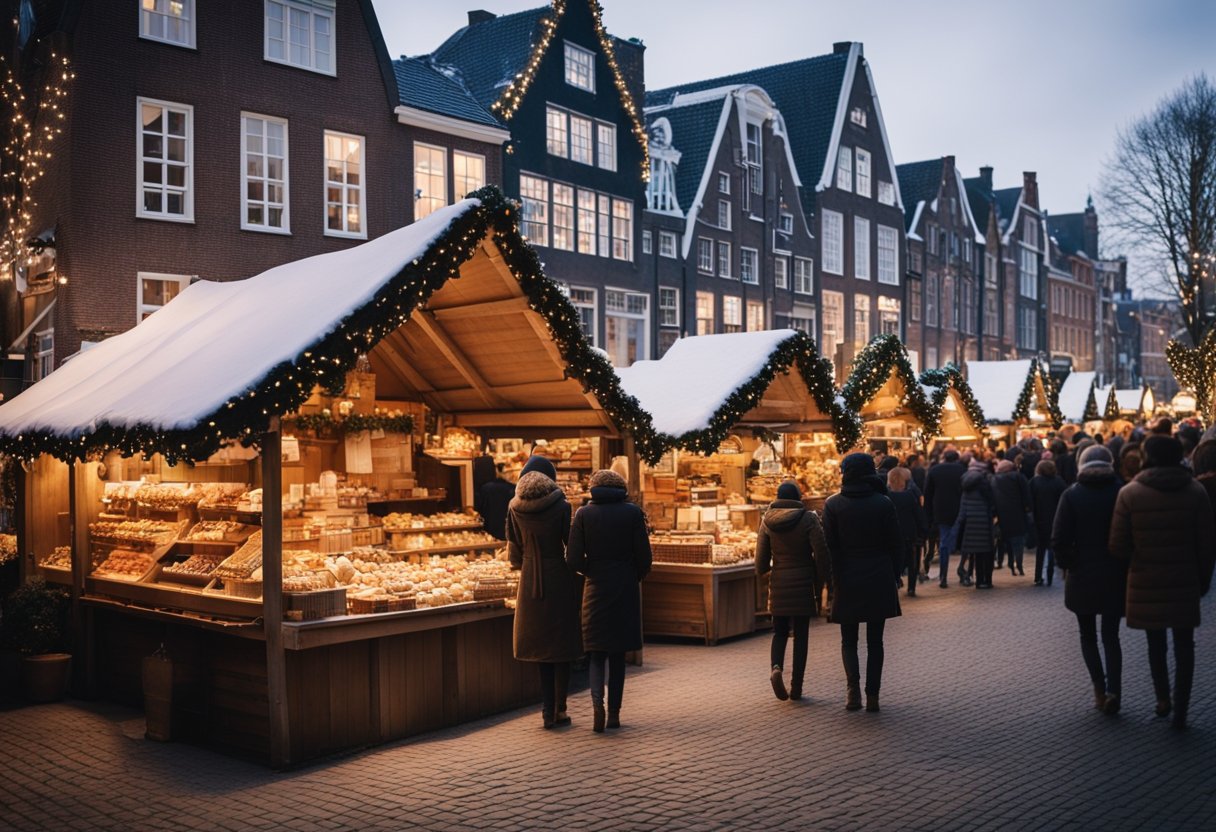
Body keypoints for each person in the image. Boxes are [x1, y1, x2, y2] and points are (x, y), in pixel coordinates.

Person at [1109, 435, 1216, 729]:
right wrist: (1202, 579)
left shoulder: (1130, 494)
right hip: (1184, 579)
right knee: (1185, 645)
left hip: (1146, 581)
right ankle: (1182, 706)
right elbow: (1207, 543)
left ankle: (1162, 698)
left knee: (1155, 643)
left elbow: (1117, 545)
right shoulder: (1195, 492)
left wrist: (1138, 560)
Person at [567, 469, 652, 733]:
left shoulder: (583, 514)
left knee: (596, 652)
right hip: (625, 586)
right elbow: (645, 557)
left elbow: (572, 558)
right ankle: (614, 713)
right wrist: (633, 574)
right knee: (618, 654)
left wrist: (590, 570)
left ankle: (596, 706)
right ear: (621, 488)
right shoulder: (633, 513)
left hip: (596, 588)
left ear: (593, 488)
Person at [822, 453, 902, 712]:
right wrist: (895, 573)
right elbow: (895, 544)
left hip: (847, 576)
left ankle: (852, 691)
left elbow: (829, 547)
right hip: (878, 575)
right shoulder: (883, 503)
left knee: (848, 639)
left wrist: (831, 581)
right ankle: (873, 696)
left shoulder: (833, 505)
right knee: (875, 641)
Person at [506, 455, 582, 729]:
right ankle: (561, 709)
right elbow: (570, 548)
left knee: (539, 645)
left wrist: (524, 563)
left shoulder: (514, 507)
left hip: (529, 581)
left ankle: (546, 709)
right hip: (558, 578)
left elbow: (514, 551)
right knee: (560, 646)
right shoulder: (562, 506)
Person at [1052, 445, 1128, 713]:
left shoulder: (1071, 495)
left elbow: (1059, 539)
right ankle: (1114, 691)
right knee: (1111, 636)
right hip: (1115, 573)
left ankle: (1099, 690)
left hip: (1082, 574)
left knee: (1087, 635)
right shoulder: (1121, 492)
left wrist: (1070, 564)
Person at [756, 481, 829, 702]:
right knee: (801, 636)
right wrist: (823, 580)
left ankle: (776, 668)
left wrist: (773, 572)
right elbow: (821, 554)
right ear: (799, 497)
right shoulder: (808, 519)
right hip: (803, 584)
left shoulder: (767, 521)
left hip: (778, 584)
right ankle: (796, 687)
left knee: (779, 632)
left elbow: (760, 564)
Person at [924, 449, 966, 588]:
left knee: (944, 543)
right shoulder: (962, 470)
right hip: (959, 510)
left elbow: (928, 494)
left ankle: (944, 576)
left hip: (940, 511)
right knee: (964, 542)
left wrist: (928, 515)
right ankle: (962, 570)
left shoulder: (934, 470)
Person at [887, 467, 928, 597]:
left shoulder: (887, 497)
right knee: (912, 561)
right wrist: (923, 531)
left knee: (894, 560)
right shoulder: (909, 496)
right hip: (909, 533)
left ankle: (896, 581)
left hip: (893, 534)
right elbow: (918, 515)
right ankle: (911, 587)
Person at [956, 461, 997, 588]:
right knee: (988, 552)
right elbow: (992, 502)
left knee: (977, 553)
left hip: (971, 524)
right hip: (984, 522)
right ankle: (988, 581)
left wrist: (960, 523)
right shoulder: (985, 484)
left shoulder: (965, 487)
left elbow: (962, 507)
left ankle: (979, 582)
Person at [1029, 459, 1067, 586]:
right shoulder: (1059, 481)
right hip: (1055, 519)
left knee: (1040, 548)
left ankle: (1038, 576)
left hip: (1039, 519)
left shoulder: (1034, 482)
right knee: (1051, 547)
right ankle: (1050, 573)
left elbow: (1030, 501)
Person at [992, 459, 1031, 576]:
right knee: (1018, 540)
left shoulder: (994, 479)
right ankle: (1018, 562)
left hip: (1002, 515)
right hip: (1018, 513)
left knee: (1006, 541)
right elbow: (1026, 494)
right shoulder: (1019, 477)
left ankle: (1009, 562)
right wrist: (1028, 508)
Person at [477, 462, 516, 541]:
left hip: (489, 532)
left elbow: (480, 510)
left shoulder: (485, 488)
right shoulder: (514, 489)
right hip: (508, 531)